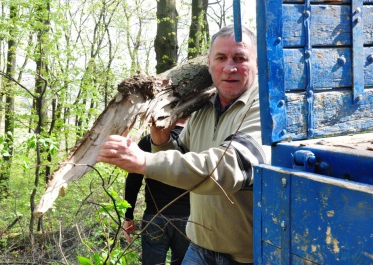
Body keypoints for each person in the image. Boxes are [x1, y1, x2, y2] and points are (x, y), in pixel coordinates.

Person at [97, 24, 270, 265]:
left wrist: (144, 161)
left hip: (246, 257)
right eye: (221, 58)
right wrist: (161, 139)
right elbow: (182, 158)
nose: (229, 67)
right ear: (209, 64)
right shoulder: (203, 108)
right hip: (198, 248)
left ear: (257, 64)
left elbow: (229, 168)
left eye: (240, 58)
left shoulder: (265, 106)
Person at [123, 118, 190, 265]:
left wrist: (128, 216)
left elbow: (133, 181)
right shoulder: (196, 142)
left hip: (155, 217)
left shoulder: (149, 141)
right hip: (189, 220)